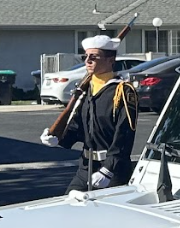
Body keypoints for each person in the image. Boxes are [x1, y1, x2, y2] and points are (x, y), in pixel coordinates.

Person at [41, 34, 137, 189]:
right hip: (86, 167)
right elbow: (78, 125)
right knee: (70, 206)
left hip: (112, 170)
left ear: (110, 60)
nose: (88, 61)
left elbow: (124, 134)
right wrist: (58, 137)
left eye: (94, 57)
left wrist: (108, 169)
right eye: (86, 56)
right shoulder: (86, 89)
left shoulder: (122, 91)